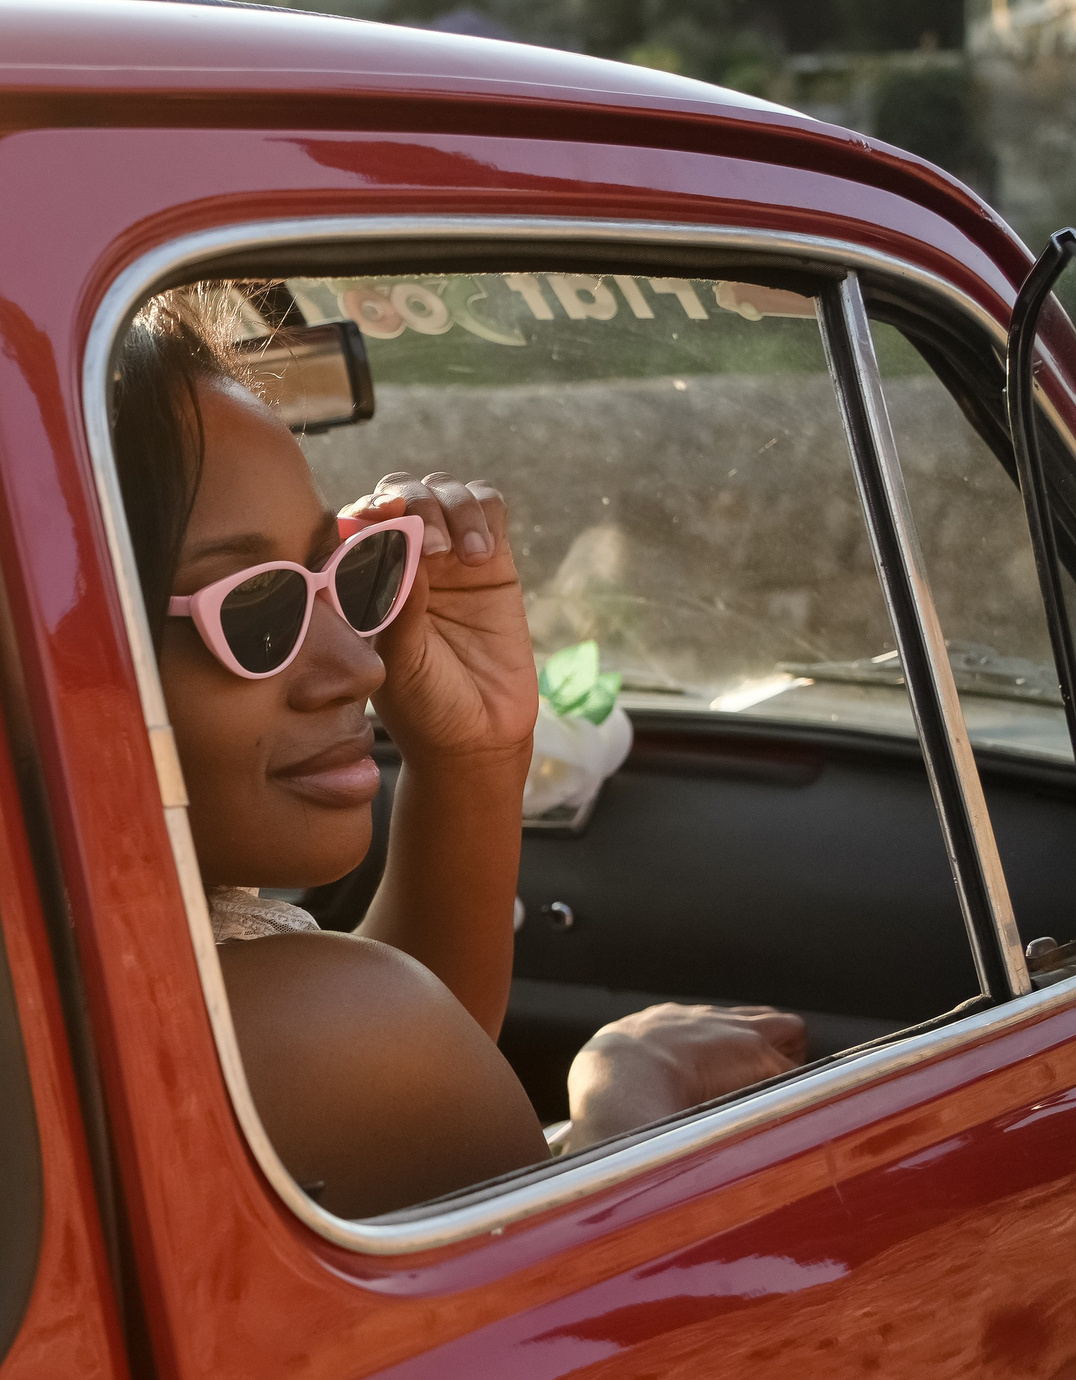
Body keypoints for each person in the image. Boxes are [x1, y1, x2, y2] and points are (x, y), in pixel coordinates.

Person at [111, 289, 806, 1217]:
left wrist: (472, 756)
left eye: (348, 574)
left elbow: (401, 1074)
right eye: (254, 608)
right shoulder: (301, 1033)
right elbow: (577, 1327)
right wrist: (627, 1102)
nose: (359, 661)